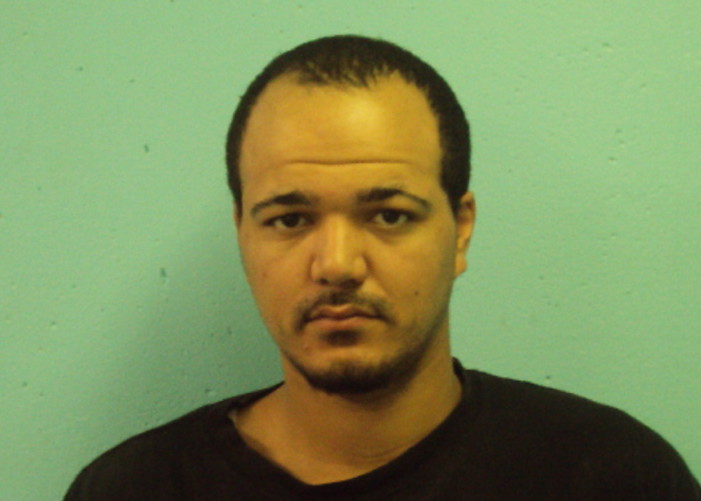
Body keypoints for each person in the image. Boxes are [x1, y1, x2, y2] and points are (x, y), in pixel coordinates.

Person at [65, 35, 700, 500]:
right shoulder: (133, 489)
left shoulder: (614, 477)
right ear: (242, 234)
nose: (337, 265)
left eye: (390, 215)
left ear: (461, 229)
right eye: (289, 219)